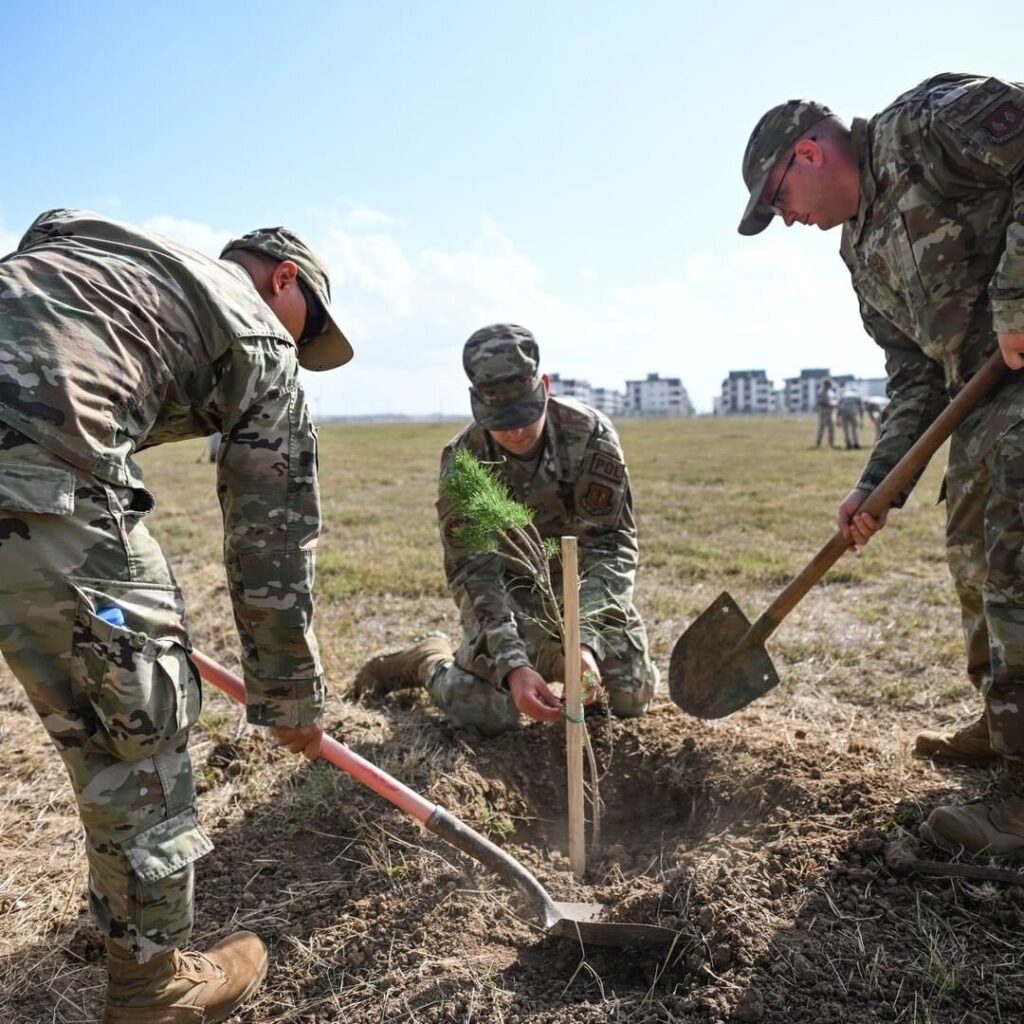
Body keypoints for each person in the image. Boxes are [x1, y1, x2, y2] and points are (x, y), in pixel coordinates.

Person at [0, 209, 352, 1022]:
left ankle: (127, 925)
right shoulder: (261, 336)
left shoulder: (99, 241)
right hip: (38, 479)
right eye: (311, 328)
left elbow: (44, 235)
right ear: (284, 281)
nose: (302, 349)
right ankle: (153, 987)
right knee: (139, 730)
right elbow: (272, 542)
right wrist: (291, 699)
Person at [738, 74, 1024, 856]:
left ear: (807, 152)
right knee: (970, 542)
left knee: (1013, 542)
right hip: (982, 388)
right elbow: (914, 380)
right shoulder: (861, 256)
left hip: (1017, 371)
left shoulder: (926, 126)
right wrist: (876, 484)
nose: (786, 219)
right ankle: (1007, 726)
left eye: (778, 199)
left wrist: (1017, 296)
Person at [353, 323, 658, 736]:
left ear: (545, 387)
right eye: (500, 420)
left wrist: (586, 643)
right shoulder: (465, 461)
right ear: (476, 403)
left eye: (524, 415)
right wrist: (512, 664)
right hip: (513, 603)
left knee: (629, 696)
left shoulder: (589, 436)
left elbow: (612, 547)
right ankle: (427, 660)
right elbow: (474, 572)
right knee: (489, 713)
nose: (515, 432)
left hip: (581, 594)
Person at [837, 383, 865, 449]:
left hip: (843, 411)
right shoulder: (857, 395)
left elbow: (839, 407)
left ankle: (848, 443)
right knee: (854, 428)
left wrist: (837, 419)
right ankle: (856, 444)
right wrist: (862, 420)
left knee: (845, 429)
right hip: (852, 411)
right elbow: (861, 409)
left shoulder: (844, 395)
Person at [815, 377, 839, 448]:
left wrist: (835, 404)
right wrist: (830, 405)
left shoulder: (831, 393)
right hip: (823, 413)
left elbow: (834, 400)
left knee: (831, 429)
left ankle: (831, 444)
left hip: (831, 413)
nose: (830, 385)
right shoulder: (821, 392)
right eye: (829, 384)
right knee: (821, 429)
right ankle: (818, 443)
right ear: (825, 384)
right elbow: (820, 403)